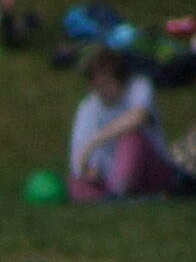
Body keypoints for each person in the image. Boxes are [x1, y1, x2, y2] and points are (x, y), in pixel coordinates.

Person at [66, 46, 176, 201]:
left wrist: (95, 141)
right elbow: (78, 153)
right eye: (96, 84)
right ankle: (111, 198)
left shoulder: (139, 87)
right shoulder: (88, 106)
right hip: (108, 175)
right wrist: (88, 170)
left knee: (131, 140)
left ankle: (118, 193)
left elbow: (138, 117)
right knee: (73, 183)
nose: (100, 89)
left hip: (149, 169)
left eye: (105, 83)